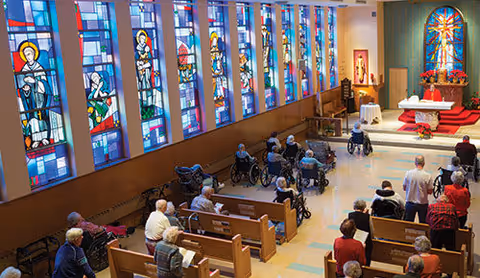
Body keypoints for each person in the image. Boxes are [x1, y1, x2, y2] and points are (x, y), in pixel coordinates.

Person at [403, 155, 433, 223]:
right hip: (423, 203)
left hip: (410, 202)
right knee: (423, 224)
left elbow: (404, 188)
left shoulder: (408, 173)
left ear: (415, 163)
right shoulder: (428, 175)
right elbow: (430, 191)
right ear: (424, 163)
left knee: (408, 225)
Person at [348, 199, 373, 266]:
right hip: (365, 242)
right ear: (364, 208)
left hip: (353, 240)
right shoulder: (367, 217)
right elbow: (372, 230)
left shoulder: (350, 215)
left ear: (354, 207)